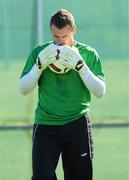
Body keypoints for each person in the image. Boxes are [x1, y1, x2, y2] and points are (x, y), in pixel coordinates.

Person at [19, 9, 106, 180]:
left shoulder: (88, 54)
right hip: (45, 124)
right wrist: (38, 67)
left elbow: (100, 91)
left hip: (77, 123)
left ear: (73, 30)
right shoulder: (40, 53)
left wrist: (81, 67)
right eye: (55, 36)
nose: (60, 42)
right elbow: (23, 89)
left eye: (64, 36)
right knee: (41, 177)